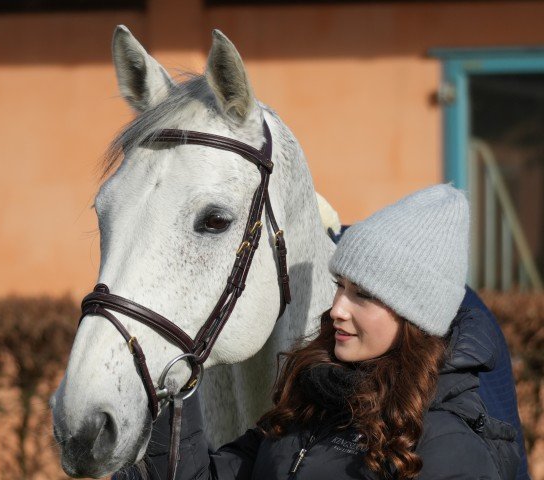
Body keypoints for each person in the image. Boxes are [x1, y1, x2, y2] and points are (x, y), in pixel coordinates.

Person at [121, 184, 521, 480]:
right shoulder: (311, 407)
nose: (337, 309)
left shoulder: (449, 449)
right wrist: (171, 388)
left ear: (414, 320)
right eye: (340, 287)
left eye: (362, 295)